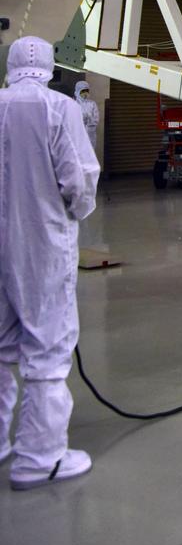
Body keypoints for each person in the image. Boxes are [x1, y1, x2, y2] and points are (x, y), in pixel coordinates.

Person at [0, 36, 100, 490]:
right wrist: (72, 215)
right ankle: (39, 458)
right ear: (49, 69)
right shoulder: (59, 109)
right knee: (47, 346)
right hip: (40, 244)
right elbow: (78, 181)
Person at [74, 80, 99, 149]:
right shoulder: (73, 104)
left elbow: (96, 120)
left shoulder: (92, 104)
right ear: (77, 92)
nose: (85, 93)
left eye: (86, 91)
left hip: (90, 136)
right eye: (82, 91)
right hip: (77, 136)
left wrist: (89, 119)